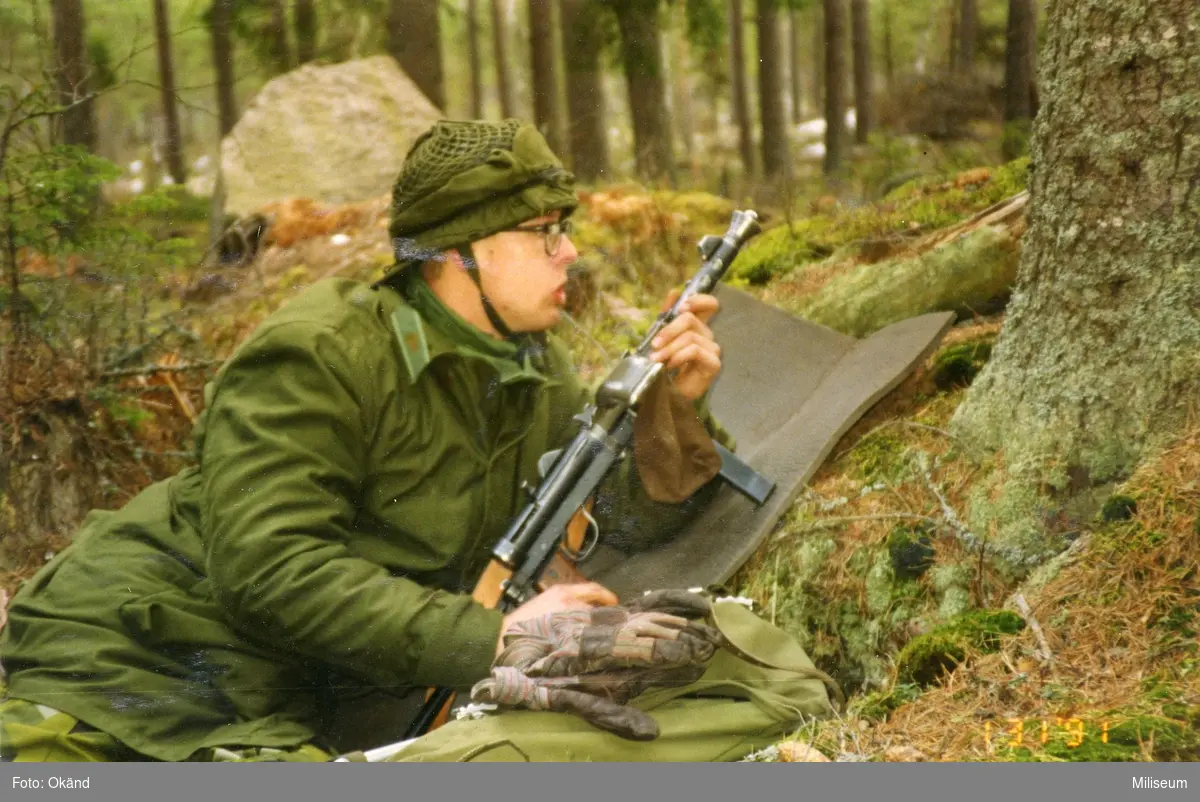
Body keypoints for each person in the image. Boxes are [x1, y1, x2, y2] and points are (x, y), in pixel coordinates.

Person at [0, 119, 733, 762]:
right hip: (141, 656)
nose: (569, 251)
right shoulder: (318, 355)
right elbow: (270, 569)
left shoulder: (527, 367)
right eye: (542, 232)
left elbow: (622, 525)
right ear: (458, 251)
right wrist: (494, 639)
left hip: (303, 682)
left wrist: (671, 409)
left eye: (563, 228)